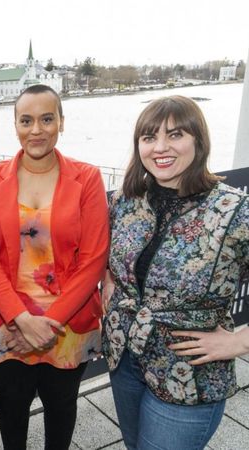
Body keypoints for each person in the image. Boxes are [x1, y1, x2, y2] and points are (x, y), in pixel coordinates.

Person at [102, 95, 249, 450]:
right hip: (125, 360)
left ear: (198, 140)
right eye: (149, 137)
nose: (160, 148)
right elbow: (111, 259)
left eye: (176, 135)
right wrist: (110, 287)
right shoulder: (125, 201)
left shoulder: (233, 211)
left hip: (189, 376)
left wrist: (239, 341)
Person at [0, 84, 109, 450]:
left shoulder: (87, 178)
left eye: (47, 119)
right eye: (26, 120)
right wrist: (20, 318)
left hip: (66, 322)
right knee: (11, 409)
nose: (37, 130)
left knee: (61, 407)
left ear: (61, 122)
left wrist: (51, 321)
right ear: (14, 124)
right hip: (9, 320)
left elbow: (94, 259)